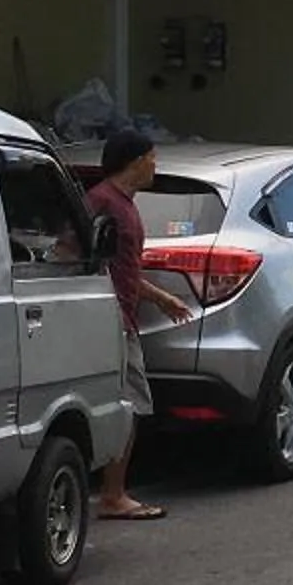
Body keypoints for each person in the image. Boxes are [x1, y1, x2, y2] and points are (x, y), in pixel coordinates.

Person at [86, 129, 193, 523]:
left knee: (127, 403)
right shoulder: (102, 202)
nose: (155, 164)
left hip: (124, 318)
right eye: (151, 157)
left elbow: (125, 270)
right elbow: (74, 252)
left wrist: (162, 299)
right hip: (110, 320)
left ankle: (113, 491)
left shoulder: (125, 205)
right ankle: (113, 495)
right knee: (129, 403)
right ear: (134, 161)